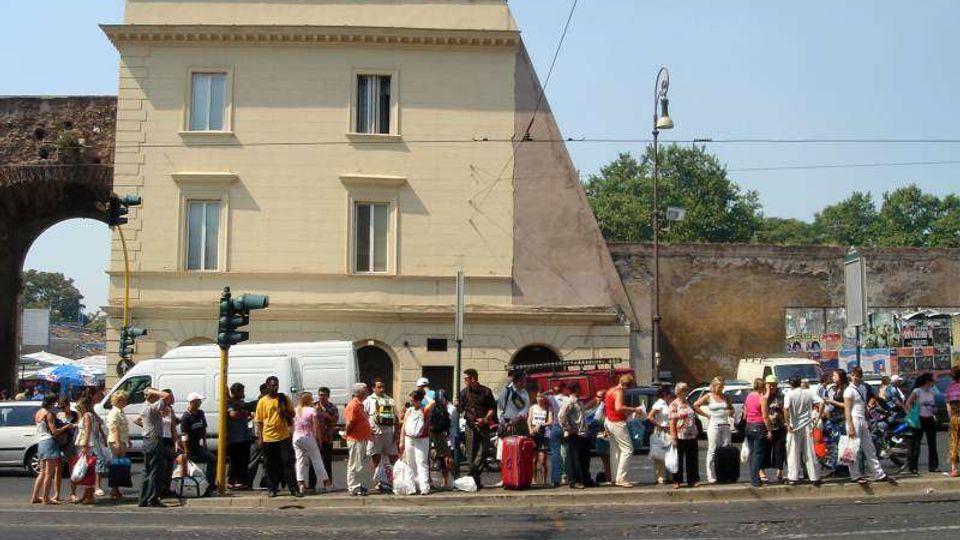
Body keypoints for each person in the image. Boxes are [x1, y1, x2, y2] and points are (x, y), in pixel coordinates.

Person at [254, 376, 297, 497]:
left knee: (287, 462)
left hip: (283, 436)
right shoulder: (262, 401)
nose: (275, 387)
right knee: (270, 464)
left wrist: (283, 411)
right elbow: (259, 421)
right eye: (272, 385)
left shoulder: (283, 398)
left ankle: (293, 488)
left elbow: (292, 414)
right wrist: (260, 438)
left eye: (276, 385)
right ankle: (272, 488)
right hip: (268, 437)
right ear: (267, 386)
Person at [844, 367, 889, 484]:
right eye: (854, 375)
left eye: (858, 376)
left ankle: (878, 473)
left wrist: (868, 420)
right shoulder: (849, 391)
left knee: (870, 448)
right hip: (853, 419)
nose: (856, 378)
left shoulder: (862, 388)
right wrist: (850, 425)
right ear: (851, 376)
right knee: (853, 449)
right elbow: (847, 409)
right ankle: (855, 475)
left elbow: (864, 406)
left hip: (862, 420)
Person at [457, 368, 497, 488]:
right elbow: (461, 410)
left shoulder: (486, 391)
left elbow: (492, 409)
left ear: (473, 379)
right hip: (470, 426)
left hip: (483, 425)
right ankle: (475, 481)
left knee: (484, 451)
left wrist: (484, 419)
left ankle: (471, 475)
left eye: (466, 379)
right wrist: (457, 406)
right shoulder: (464, 392)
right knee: (471, 454)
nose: (464, 381)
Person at [30, 394, 72, 504]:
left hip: (41, 442)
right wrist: (66, 427)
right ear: (52, 402)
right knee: (49, 473)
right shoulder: (48, 414)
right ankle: (46, 498)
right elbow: (54, 431)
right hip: (49, 442)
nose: (56, 405)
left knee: (42, 472)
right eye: (55, 403)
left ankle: (35, 496)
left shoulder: (39, 412)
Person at [692, 377, 733, 484]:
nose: (721, 389)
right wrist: (707, 415)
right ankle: (711, 474)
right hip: (714, 424)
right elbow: (695, 405)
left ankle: (724, 473)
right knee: (713, 449)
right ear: (714, 386)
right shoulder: (709, 396)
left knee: (725, 449)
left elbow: (731, 408)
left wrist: (730, 411)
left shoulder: (725, 396)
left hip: (725, 424)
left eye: (723, 387)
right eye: (720, 387)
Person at [604, 374, 642, 488]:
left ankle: (615, 477)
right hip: (617, 422)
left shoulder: (611, 390)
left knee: (615, 451)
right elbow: (618, 407)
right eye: (629, 387)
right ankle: (621, 478)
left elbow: (612, 407)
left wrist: (628, 412)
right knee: (628, 449)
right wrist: (634, 409)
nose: (628, 390)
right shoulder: (619, 391)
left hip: (609, 421)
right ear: (626, 384)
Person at [783, 375, 821, 486]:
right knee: (809, 451)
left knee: (793, 452)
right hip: (808, 424)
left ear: (790, 384)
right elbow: (821, 402)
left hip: (794, 426)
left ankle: (793, 477)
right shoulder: (809, 392)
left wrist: (787, 423)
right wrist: (817, 418)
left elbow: (786, 409)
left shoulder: (789, 394)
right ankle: (814, 476)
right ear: (800, 383)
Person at [291, 391, 330, 496]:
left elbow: (292, 426)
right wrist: (319, 439)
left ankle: (301, 484)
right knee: (317, 459)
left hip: (297, 437)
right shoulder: (312, 410)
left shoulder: (295, 410)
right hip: (308, 437)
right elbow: (316, 426)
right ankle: (326, 483)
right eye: (311, 398)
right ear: (309, 400)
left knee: (300, 461)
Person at [363, 379, 398, 491]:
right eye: (379, 387)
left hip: (389, 433)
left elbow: (396, 418)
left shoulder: (390, 400)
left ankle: (393, 480)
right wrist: (367, 431)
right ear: (373, 388)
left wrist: (397, 432)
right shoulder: (368, 401)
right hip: (375, 434)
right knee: (376, 458)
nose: (382, 389)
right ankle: (379, 481)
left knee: (393, 457)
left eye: (383, 387)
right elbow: (363, 417)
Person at [399, 389, 435, 495]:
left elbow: (433, 402)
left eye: (413, 400)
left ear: (419, 401)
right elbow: (404, 426)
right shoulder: (409, 410)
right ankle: (412, 486)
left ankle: (424, 487)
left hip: (422, 439)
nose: (411, 402)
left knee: (422, 462)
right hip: (409, 438)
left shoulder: (424, 410)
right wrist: (401, 441)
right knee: (410, 463)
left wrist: (424, 395)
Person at [904, 372, 940, 474]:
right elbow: (908, 403)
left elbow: (934, 405)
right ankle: (913, 467)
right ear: (928, 381)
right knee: (916, 444)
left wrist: (934, 408)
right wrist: (912, 414)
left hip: (930, 419)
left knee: (932, 443)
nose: (934, 383)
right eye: (932, 380)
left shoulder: (931, 391)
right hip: (919, 419)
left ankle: (933, 466)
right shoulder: (917, 391)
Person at [558, 382, 592, 489]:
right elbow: (561, 415)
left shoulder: (578, 401)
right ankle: (574, 481)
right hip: (575, 434)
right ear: (576, 389)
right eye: (579, 388)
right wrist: (568, 428)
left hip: (583, 433)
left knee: (584, 458)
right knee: (574, 459)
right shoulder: (570, 401)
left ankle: (586, 479)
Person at [180, 393, 215, 493]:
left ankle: (210, 483)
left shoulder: (200, 413)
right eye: (198, 401)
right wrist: (186, 451)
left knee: (212, 459)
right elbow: (184, 435)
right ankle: (185, 486)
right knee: (186, 466)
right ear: (192, 402)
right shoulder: (186, 417)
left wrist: (204, 442)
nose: (200, 403)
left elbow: (203, 428)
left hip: (196, 445)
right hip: (187, 446)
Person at [669, 382, 700, 489]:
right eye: (683, 390)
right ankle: (677, 481)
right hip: (680, 435)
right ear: (678, 392)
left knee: (692, 459)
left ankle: (693, 480)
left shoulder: (688, 403)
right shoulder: (674, 404)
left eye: (686, 390)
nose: (685, 392)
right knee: (678, 459)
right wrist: (673, 438)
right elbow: (672, 422)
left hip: (692, 434)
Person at [345, 382, 373, 496]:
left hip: (361, 438)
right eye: (366, 389)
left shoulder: (360, 404)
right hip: (356, 439)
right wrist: (347, 434)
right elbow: (350, 423)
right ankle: (353, 486)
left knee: (359, 463)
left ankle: (357, 485)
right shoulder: (354, 405)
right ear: (360, 392)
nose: (367, 391)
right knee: (355, 463)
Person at [225, 383, 253, 490]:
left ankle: (241, 481)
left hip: (244, 436)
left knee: (244, 460)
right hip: (234, 437)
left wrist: (245, 413)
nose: (243, 393)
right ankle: (231, 481)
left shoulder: (241, 403)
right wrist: (244, 414)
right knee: (235, 460)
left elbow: (247, 414)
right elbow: (233, 415)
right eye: (241, 391)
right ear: (236, 392)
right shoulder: (229, 403)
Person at [761, 375, 787, 483]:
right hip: (765, 427)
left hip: (779, 427)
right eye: (769, 385)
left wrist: (786, 421)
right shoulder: (762, 395)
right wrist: (767, 392)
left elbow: (784, 408)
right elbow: (762, 404)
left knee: (779, 450)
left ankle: (779, 472)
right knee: (763, 451)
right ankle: (761, 472)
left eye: (774, 385)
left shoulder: (780, 395)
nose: (772, 387)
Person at [428, 389, 455, 489]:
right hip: (434, 434)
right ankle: (431, 481)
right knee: (443, 457)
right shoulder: (435, 408)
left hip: (440, 435)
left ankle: (446, 480)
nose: (443, 400)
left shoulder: (445, 409)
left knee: (445, 458)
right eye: (441, 398)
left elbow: (447, 423)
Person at [56, 396, 80, 503]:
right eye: (60, 408)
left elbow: (79, 426)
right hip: (61, 444)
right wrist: (66, 427)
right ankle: (57, 494)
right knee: (58, 470)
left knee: (72, 470)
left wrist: (73, 425)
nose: (61, 410)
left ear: (68, 405)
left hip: (72, 444)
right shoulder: (58, 415)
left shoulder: (75, 414)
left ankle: (73, 493)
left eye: (63, 407)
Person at [646, 386, 673, 485]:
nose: (671, 395)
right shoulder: (659, 403)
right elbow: (650, 417)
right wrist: (660, 425)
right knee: (659, 454)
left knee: (669, 454)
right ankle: (660, 477)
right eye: (669, 393)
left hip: (669, 431)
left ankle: (669, 475)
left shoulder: (667, 403)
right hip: (661, 430)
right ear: (665, 394)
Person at [548, 382, 573, 487]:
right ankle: (569, 476)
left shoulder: (551, 398)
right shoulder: (568, 399)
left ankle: (555, 479)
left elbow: (539, 395)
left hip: (556, 426)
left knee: (555, 453)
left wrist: (550, 390)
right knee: (569, 453)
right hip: (567, 427)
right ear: (564, 389)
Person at [106, 391, 130, 499]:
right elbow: (114, 429)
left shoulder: (121, 411)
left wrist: (127, 439)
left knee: (119, 466)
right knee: (116, 465)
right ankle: (114, 491)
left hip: (122, 440)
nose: (125, 401)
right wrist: (117, 443)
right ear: (118, 401)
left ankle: (116, 490)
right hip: (116, 441)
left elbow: (124, 428)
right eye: (123, 400)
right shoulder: (114, 412)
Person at [744, 378, 767, 487]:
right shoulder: (761, 398)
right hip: (759, 425)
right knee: (758, 454)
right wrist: (769, 429)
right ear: (762, 387)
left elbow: (745, 412)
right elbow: (765, 416)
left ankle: (753, 478)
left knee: (752, 452)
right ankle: (755, 480)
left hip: (749, 425)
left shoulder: (749, 396)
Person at [527, 390, 553, 486]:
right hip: (534, 435)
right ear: (536, 398)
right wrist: (530, 429)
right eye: (538, 397)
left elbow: (550, 421)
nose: (540, 399)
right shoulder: (533, 407)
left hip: (544, 435)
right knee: (534, 460)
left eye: (542, 397)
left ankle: (544, 481)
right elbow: (529, 419)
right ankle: (533, 480)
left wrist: (540, 425)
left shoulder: (548, 408)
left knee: (543, 460)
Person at [315, 387, 339, 489]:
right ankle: (312, 485)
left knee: (326, 461)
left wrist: (325, 413)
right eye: (320, 395)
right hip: (315, 437)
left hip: (327, 437)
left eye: (324, 395)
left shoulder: (332, 407)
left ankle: (328, 484)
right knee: (314, 461)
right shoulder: (313, 406)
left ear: (328, 396)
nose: (322, 397)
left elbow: (334, 421)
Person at [588, 389, 612, 484]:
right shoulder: (596, 407)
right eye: (597, 397)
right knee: (605, 458)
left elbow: (598, 420)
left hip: (604, 434)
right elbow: (585, 409)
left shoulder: (604, 407)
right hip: (600, 434)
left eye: (601, 397)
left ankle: (609, 478)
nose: (598, 399)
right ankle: (609, 476)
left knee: (605, 458)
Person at [945, 368, 960, 478]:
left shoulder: (950, 388)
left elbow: (948, 406)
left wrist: (952, 418)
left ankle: (954, 470)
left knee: (954, 442)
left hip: (954, 418)